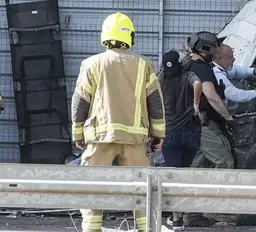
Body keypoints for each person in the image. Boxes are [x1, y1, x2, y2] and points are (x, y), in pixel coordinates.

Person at [71, 12, 165, 232]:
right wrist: (158, 134)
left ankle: (92, 228)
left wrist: (77, 133)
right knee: (143, 190)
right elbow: (155, 103)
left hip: (100, 138)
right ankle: (146, 228)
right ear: (130, 37)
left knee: (93, 187)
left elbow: (80, 102)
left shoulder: (91, 64)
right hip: (134, 139)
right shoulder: (143, 65)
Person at [183, 31, 235, 228]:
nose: (217, 48)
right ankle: (217, 209)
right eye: (214, 46)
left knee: (198, 169)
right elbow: (211, 97)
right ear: (206, 48)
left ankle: (192, 214)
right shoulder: (201, 69)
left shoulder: (189, 66)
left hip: (192, 125)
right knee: (224, 160)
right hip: (203, 125)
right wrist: (228, 117)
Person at [158, 50, 202, 231]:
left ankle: (176, 219)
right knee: (183, 175)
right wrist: (196, 104)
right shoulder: (188, 75)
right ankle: (179, 216)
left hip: (169, 134)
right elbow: (198, 83)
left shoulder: (160, 79)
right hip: (190, 133)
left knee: (173, 176)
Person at [212, 43, 256, 110]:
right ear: (220, 59)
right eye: (230, 57)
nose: (234, 59)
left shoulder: (220, 67)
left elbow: (236, 70)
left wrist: (254, 71)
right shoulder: (216, 74)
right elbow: (234, 94)